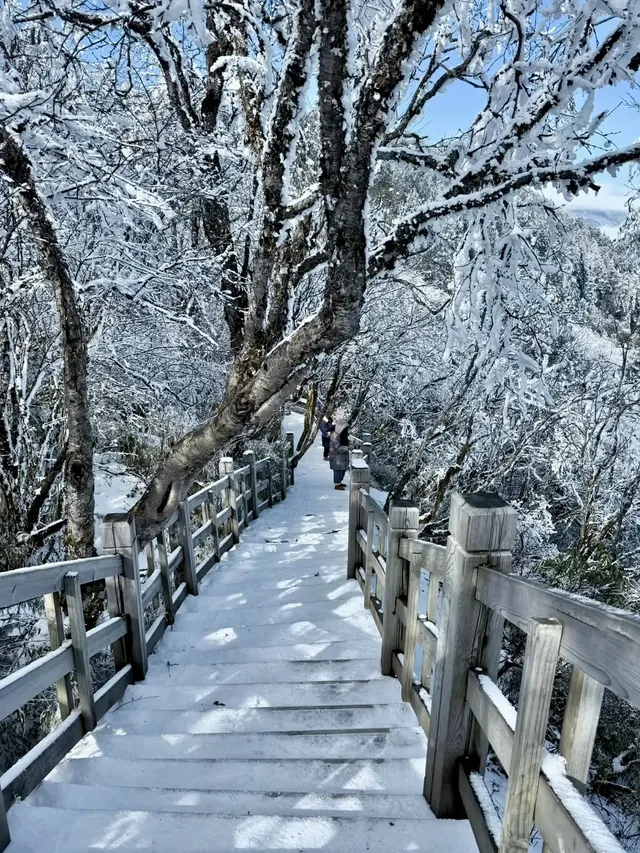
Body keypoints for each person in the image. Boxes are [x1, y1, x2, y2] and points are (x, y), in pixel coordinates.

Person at [329, 422, 349, 490]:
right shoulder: (335, 436)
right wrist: (346, 448)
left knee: (342, 470)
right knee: (338, 471)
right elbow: (338, 448)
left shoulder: (342, 435)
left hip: (341, 457)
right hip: (336, 457)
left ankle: (339, 482)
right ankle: (337, 484)